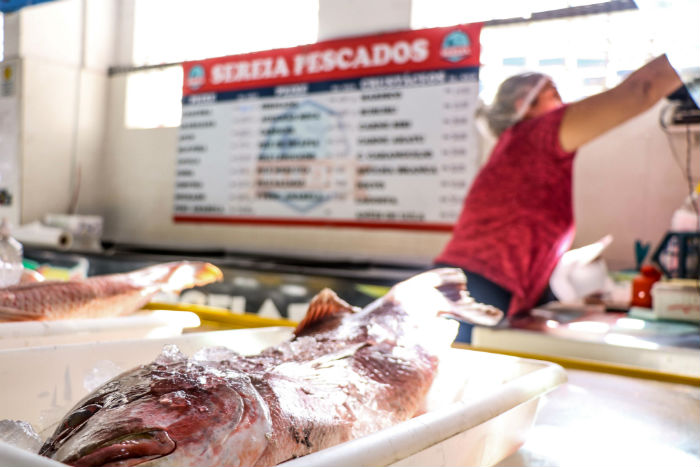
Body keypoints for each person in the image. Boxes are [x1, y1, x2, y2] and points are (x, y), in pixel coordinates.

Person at [434, 54, 684, 341]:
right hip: (476, 289)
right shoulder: (535, 135)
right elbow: (641, 90)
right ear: (523, 105)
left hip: (481, 288)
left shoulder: (521, 149)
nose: (565, 105)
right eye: (553, 94)